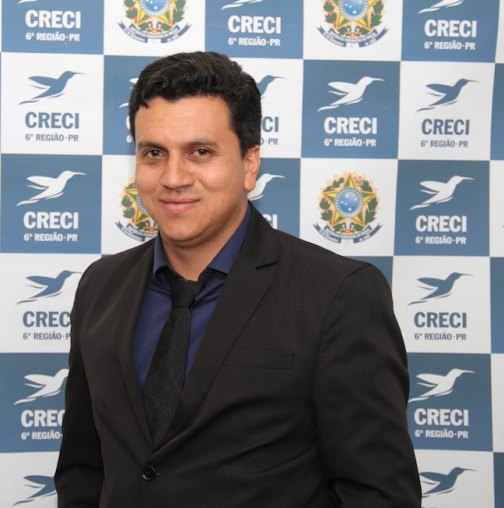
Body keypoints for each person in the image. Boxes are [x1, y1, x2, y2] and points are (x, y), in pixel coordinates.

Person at [55, 51, 420, 507]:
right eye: (154, 153)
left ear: (250, 164)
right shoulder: (100, 285)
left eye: (200, 152)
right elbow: (84, 467)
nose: (173, 177)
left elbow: (379, 493)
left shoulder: (338, 294)